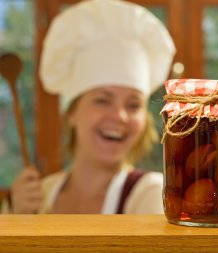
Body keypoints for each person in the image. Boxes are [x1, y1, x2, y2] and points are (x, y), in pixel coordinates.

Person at [2, 0, 176, 214]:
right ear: (72, 112)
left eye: (133, 104)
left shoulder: (153, 195)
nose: (120, 115)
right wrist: (14, 218)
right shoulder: (38, 195)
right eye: (103, 100)